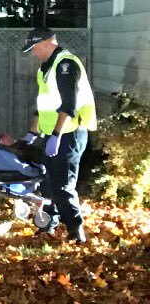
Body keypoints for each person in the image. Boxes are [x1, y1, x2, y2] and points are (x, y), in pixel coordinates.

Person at [20, 28, 96, 243]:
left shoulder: (65, 65)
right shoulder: (46, 68)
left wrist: (56, 135)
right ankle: (49, 224)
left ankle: (75, 229)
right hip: (52, 135)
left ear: (46, 43)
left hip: (69, 134)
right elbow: (43, 106)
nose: (33, 53)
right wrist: (32, 133)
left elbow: (69, 105)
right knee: (48, 182)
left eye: (34, 48)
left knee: (63, 185)